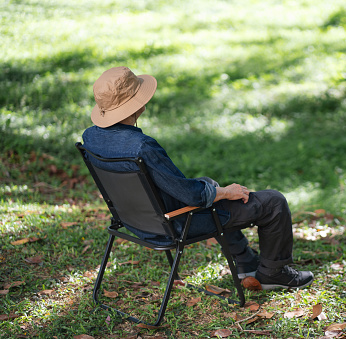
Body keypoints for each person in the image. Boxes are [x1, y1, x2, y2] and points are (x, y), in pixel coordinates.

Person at [82, 66, 313, 290]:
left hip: (135, 220)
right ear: (137, 105)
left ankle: (246, 263)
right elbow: (191, 195)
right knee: (273, 202)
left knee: (209, 184)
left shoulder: (90, 137)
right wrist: (225, 192)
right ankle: (274, 273)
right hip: (176, 223)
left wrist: (213, 188)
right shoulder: (143, 147)